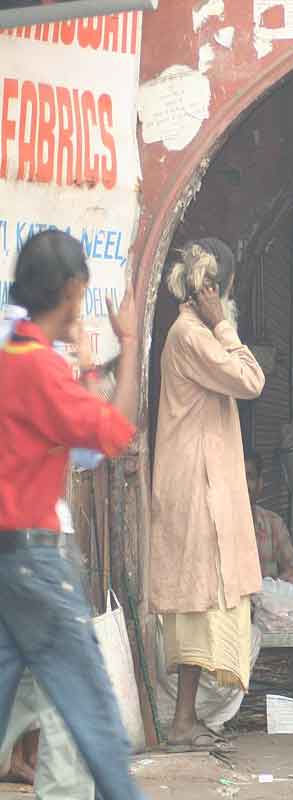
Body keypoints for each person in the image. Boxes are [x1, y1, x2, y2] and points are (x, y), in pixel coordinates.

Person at [0, 229, 144, 800]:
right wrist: (128, 344)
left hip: (9, 562)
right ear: (69, 289)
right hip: (37, 561)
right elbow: (114, 431)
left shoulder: (11, 359)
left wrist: (85, 365)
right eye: (82, 292)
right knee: (94, 715)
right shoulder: (38, 367)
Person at [151, 238, 265, 752]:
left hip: (203, 485)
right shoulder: (194, 335)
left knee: (201, 601)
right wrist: (223, 321)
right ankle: (180, 725)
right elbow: (251, 379)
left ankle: (184, 721)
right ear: (216, 289)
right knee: (199, 601)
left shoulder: (189, 334)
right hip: (197, 488)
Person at [245, 451, 293, 582]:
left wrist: (269, 590)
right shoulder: (214, 526)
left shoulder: (273, 523)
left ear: (260, 483)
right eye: (236, 476)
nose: (242, 484)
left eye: (249, 476)